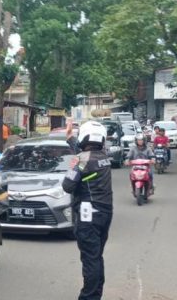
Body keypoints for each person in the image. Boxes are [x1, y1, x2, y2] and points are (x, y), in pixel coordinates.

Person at [62, 119, 113, 300]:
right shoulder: (104, 157)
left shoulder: (81, 160)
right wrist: (70, 138)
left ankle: (89, 297)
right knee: (96, 256)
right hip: (105, 212)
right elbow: (85, 154)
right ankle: (96, 294)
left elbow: (67, 185)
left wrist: (73, 164)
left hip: (87, 214)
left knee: (90, 259)